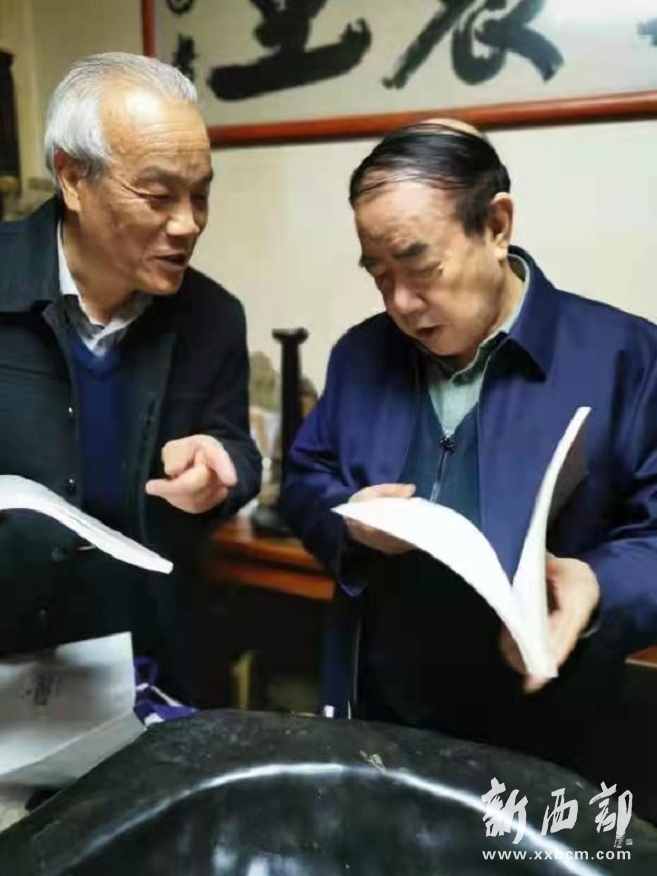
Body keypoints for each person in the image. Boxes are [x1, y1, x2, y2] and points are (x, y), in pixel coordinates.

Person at [280, 120, 657, 782]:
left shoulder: (625, 356)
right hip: (383, 724)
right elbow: (305, 478)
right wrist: (351, 523)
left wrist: (599, 584)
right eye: (379, 275)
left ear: (496, 225)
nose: (401, 303)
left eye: (422, 267)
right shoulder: (360, 354)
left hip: (552, 733)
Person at [0, 53, 261, 703]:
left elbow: (238, 448)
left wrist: (221, 468)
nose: (188, 223)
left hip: (154, 663)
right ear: (72, 179)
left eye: (200, 195)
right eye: (158, 196)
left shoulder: (214, 317)